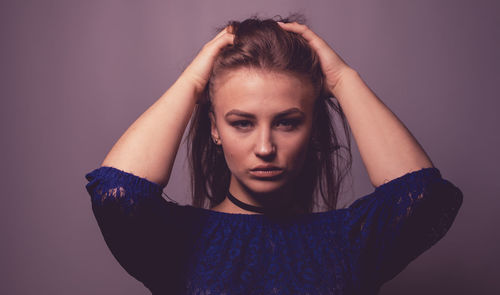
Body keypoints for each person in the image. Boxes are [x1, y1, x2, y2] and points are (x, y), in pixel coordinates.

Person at [84, 15, 463, 295]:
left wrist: (344, 80)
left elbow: (422, 196)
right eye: (242, 123)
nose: (265, 148)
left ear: (313, 129)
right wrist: (192, 82)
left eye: (287, 122)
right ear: (214, 128)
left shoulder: (350, 242)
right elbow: (117, 194)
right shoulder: (176, 240)